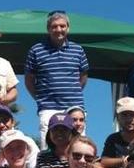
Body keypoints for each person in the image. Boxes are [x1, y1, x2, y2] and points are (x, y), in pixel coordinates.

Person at [25, 11, 89, 148]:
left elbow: (83, 76)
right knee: (48, 148)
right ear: (48, 29)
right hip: (48, 108)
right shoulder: (36, 50)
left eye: (62, 26)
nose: (58, 30)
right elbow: (29, 80)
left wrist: (72, 91)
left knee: (79, 147)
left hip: (74, 106)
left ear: (68, 28)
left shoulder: (78, 50)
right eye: (54, 26)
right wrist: (40, 98)